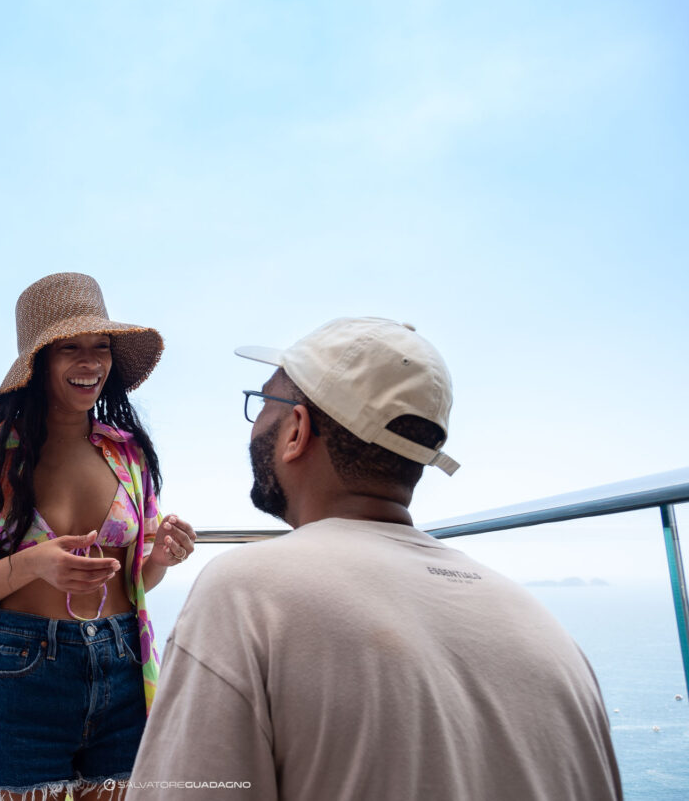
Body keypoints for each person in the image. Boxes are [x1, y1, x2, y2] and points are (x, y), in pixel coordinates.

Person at [128, 317, 622, 800]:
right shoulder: (547, 633)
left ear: (297, 430)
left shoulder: (248, 595)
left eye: (264, 403)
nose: (257, 423)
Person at [0, 272, 196, 801]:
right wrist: (34, 565)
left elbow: (137, 585)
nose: (91, 364)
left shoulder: (128, 455)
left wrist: (160, 557)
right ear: (38, 363)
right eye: (70, 349)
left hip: (122, 658)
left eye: (101, 347)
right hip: (23, 669)